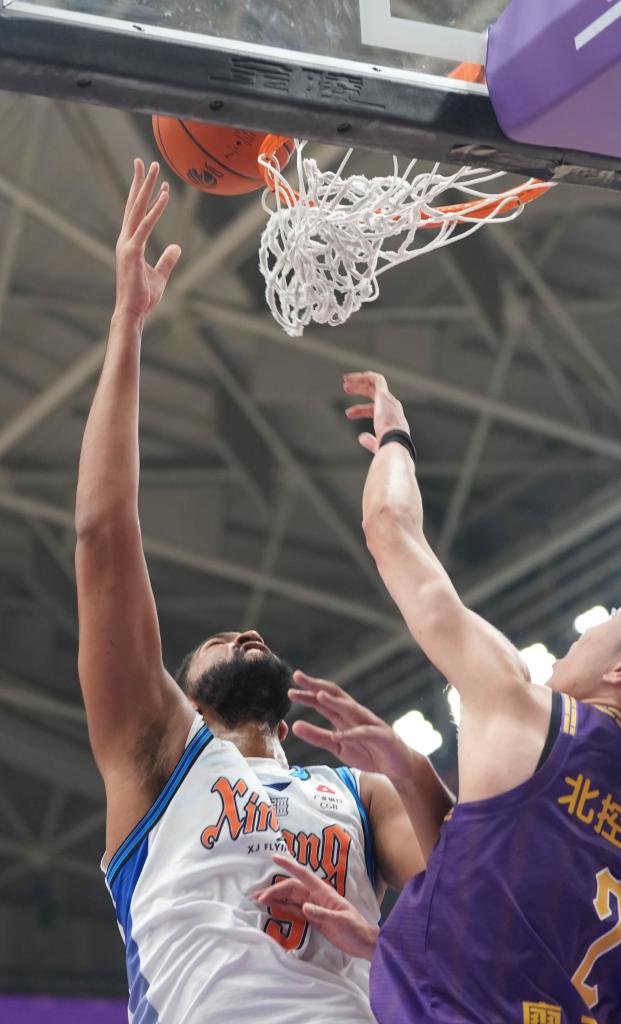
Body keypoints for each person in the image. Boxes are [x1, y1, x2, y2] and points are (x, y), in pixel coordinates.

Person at [74, 164, 427, 1024]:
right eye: (218, 642)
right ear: (185, 695)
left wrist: (412, 773)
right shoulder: (161, 751)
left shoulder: (359, 794)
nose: (246, 633)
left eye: (242, 635)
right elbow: (103, 537)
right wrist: (127, 323)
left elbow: (467, 934)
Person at [256, 371, 621, 1023]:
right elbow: (498, 897)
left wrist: (395, 441)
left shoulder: (524, 707)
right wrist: (388, 942)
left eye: (611, 620)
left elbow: (389, 527)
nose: (586, 630)